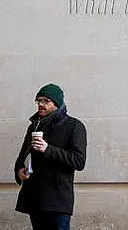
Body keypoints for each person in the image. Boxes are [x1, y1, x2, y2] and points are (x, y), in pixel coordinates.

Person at [14, 83, 87, 229]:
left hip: (58, 201)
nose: (41, 104)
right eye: (39, 101)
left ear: (57, 103)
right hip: (35, 199)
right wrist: (20, 172)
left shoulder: (74, 126)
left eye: (46, 101)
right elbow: (22, 157)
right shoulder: (33, 126)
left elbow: (79, 161)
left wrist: (48, 149)